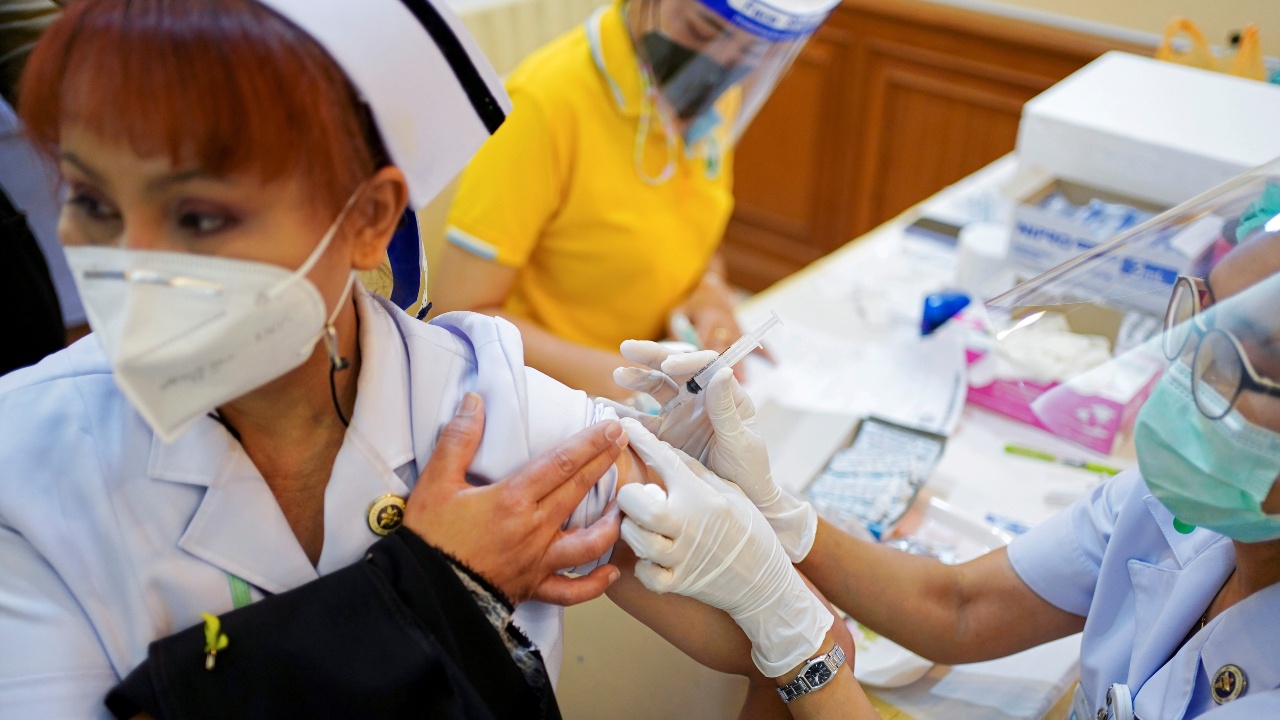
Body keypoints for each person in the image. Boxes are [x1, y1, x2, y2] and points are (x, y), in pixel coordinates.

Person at [0, 0, 848, 717]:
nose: (130, 264)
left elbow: (796, 641)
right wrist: (427, 590)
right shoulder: (24, 466)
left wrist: (777, 566)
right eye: (91, 201)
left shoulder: (487, 401)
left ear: (368, 218)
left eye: (199, 218)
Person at [613, 165, 1280, 718]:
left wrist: (798, 642)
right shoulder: (1169, 508)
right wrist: (777, 513)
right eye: (1204, 322)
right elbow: (961, 607)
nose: (1186, 374)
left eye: (1246, 362)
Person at [430, 0, 836, 399]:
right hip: (550, 396)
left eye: (751, 49)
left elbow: (687, 227)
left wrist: (710, 289)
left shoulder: (708, 98)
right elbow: (459, 312)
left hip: (655, 367)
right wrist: (624, 381)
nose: (722, 60)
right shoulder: (544, 103)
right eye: (704, 30)